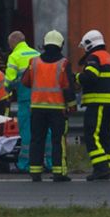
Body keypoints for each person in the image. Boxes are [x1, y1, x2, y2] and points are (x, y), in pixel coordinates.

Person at [20, 30, 77, 183]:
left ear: (44, 44)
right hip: (57, 110)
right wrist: (72, 106)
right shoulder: (63, 63)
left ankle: (35, 172)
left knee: (37, 140)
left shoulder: (34, 62)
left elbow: (25, 82)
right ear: (61, 45)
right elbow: (68, 88)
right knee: (58, 141)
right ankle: (59, 173)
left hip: (37, 109)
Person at [77, 29, 110, 181]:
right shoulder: (109, 58)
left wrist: (76, 78)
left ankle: (101, 168)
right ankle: (106, 167)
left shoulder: (94, 57)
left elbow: (90, 77)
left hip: (98, 103)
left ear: (89, 44)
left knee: (91, 135)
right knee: (105, 136)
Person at [4, 30, 42, 172]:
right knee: (44, 131)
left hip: (25, 100)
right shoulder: (37, 54)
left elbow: (8, 81)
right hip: (41, 99)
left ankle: (25, 164)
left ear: (13, 43)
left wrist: (8, 90)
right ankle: (48, 161)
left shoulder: (14, 56)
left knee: (27, 132)